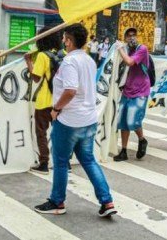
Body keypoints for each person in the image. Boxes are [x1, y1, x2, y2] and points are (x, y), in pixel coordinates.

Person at [33, 23, 116, 217]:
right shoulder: (88, 60)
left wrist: (56, 109)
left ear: (69, 41)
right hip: (88, 119)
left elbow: (70, 90)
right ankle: (107, 201)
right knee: (88, 160)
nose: (63, 41)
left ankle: (57, 201)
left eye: (64, 38)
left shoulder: (70, 62)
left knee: (61, 162)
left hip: (69, 120)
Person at [24, 26, 62, 174]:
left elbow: (36, 77)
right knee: (59, 132)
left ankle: (44, 163)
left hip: (44, 102)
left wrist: (28, 61)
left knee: (41, 132)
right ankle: (64, 162)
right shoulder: (62, 54)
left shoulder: (42, 56)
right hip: (59, 102)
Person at [113, 27, 149, 162]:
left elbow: (130, 62)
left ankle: (142, 139)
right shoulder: (126, 50)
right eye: (128, 35)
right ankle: (123, 150)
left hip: (140, 90)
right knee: (123, 121)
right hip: (127, 90)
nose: (131, 37)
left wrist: (120, 49)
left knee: (132, 120)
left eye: (134, 35)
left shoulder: (142, 49)